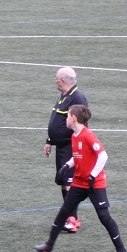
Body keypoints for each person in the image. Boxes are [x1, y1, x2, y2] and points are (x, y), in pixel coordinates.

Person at [34, 104, 127, 252]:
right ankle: (49, 244)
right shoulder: (74, 135)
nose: (65, 119)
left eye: (67, 116)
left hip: (94, 184)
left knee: (104, 216)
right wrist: (67, 166)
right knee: (64, 212)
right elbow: (77, 155)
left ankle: (122, 250)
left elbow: (103, 156)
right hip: (79, 182)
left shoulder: (87, 135)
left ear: (74, 118)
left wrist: (93, 175)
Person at [44, 67, 88, 234]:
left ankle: (72, 219)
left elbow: (82, 125)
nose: (55, 81)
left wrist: (79, 147)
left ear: (62, 81)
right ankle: (70, 217)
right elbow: (58, 120)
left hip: (71, 146)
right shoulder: (64, 96)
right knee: (64, 181)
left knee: (70, 183)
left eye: (56, 78)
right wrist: (50, 140)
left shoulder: (77, 97)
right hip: (62, 146)